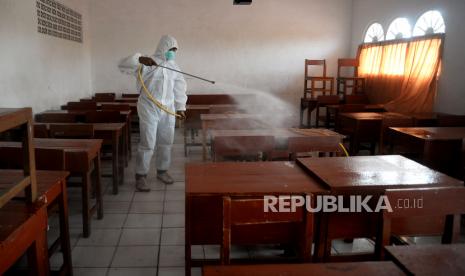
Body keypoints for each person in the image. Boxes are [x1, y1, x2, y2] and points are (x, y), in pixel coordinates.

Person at [118, 35, 187, 192]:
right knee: (148, 141)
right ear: (163, 47)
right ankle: (141, 175)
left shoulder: (174, 66)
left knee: (166, 141)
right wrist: (140, 59)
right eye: (171, 49)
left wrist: (181, 107)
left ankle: (162, 171)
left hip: (167, 109)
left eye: (175, 50)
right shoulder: (147, 62)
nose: (173, 53)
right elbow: (122, 65)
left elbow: (180, 87)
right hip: (149, 106)